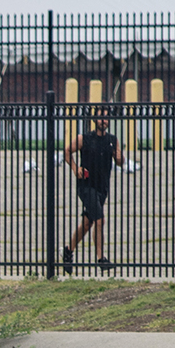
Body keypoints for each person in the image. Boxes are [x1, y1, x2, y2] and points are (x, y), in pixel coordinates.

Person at [62, 104, 123, 273]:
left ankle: (68, 251)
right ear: (94, 120)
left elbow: (120, 161)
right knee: (99, 220)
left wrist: (120, 157)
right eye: (100, 117)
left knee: (88, 223)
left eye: (106, 118)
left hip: (102, 187)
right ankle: (100, 259)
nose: (103, 121)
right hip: (86, 186)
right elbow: (67, 151)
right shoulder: (84, 138)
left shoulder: (112, 140)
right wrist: (75, 169)